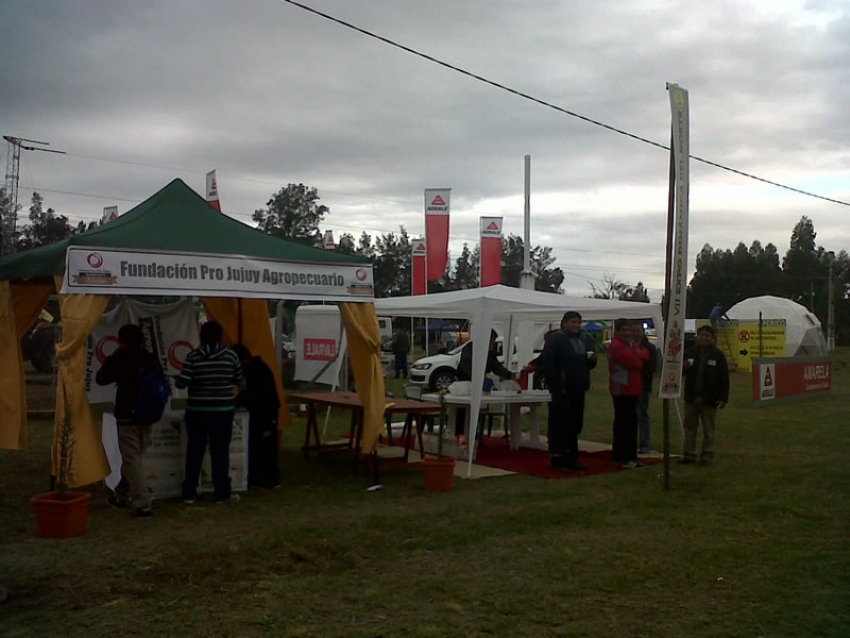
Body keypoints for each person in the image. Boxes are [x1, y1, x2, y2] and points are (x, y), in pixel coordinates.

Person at [174, 321, 245, 504]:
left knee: (194, 451)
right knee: (220, 452)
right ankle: (222, 493)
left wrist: (180, 379)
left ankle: (189, 493)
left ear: (201, 336)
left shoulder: (193, 356)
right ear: (221, 336)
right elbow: (240, 380)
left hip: (197, 410)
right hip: (223, 411)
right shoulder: (231, 356)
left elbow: (182, 382)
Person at [95, 323, 162, 518]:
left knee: (131, 458)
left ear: (122, 341)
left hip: (128, 414)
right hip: (149, 414)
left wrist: (113, 358)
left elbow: (101, 378)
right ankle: (122, 495)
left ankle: (143, 503)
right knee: (135, 457)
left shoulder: (121, 358)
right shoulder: (150, 358)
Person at [539, 311, 597, 472]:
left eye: (579, 322)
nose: (576, 325)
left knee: (574, 425)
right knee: (560, 425)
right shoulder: (555, 340)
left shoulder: (579, 340)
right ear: (564, 323)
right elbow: (549, 366)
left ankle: (572, 458)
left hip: (579, 388)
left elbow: (581, 364)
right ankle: (557, 459)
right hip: (563, 390)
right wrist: (558, 387)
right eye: (573, 322)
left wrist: (591, 362)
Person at [232, 344, 281, 489]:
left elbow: (253, 394)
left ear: (244, 359)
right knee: (256, 444)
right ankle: (257, 477)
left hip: (266, 412)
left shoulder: (258, 370)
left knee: (267, 446)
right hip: (258, 411)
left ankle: (270, 479)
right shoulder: (251, 370)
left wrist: (237, 402)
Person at [681, 325, 730, 466]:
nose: (704, 338)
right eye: (702, 335)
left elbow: (724, 378)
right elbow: (680, 374)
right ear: (697, 336)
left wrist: (723, 397)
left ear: (712, 338)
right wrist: (682, 368)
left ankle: (707, 456)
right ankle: (689, 455)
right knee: (690, 429)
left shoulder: (718, 355)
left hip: (709, 400)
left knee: (709, 430)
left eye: (707, 336)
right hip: (691, 398)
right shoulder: (689, 352)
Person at [607, 319, 649, 468]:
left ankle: (619, 455)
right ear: (617, 331)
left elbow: (645, 353)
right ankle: (628, 458)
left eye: (628, 330)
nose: (627, 333)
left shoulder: (628, 345)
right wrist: (637, 355)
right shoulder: (618, 346)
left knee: (623, 423)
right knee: (627, 424)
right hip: (623, 389)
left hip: (630, 388)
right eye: (623, 330)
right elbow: (635, 363)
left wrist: (637, 354)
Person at [635, 323, 658, 455]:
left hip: (643, 386)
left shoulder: (650, 348)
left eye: (638, 330)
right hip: (628, 386)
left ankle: (645, 444)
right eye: (633, 330)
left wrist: (636, 368)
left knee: (642, 415)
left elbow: (652, 367)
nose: (635, 333)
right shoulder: (628, 346)